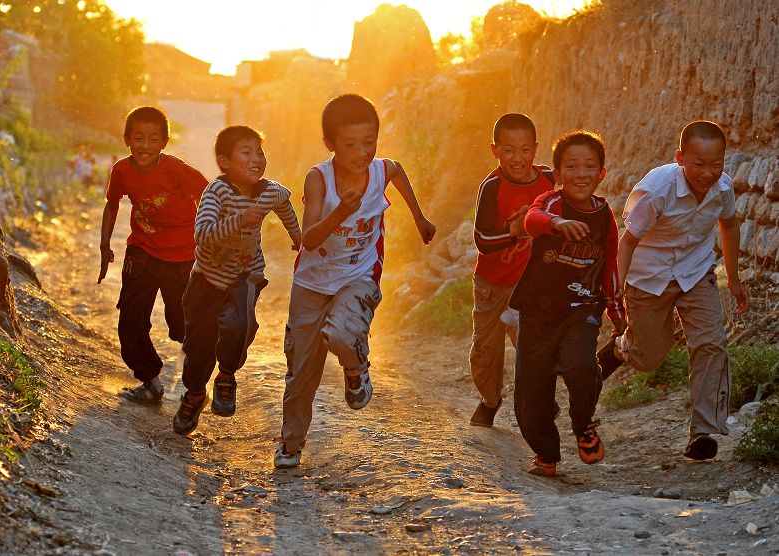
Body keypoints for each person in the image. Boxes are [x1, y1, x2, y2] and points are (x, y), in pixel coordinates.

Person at [274, 93, 436, 468]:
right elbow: (308, 238)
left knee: (343, 333)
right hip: (312, 284)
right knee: (302, 371)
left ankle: (356, 365)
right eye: (350, 145)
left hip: (360, 274)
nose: (362, 152)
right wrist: (340, 213)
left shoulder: (380, 170)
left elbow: (396, 171)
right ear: (330, 144)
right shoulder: (319, 179)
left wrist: (420, 218)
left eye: (370, 142)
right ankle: (291, 442)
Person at [597, 120, 749, 461]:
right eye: (698, 163)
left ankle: (704, 433)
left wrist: (734, 279)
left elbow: (729, 223)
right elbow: (629, 240)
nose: (708, 173)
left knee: (711, 343)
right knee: (649, 356)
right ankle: (618, 351)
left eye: (716, 164)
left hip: (696, 272)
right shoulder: (657, 190)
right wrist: (616, 286)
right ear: (681, 158)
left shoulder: (722, 188)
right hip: (649, 276)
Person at [508, 130, 625, 478]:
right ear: (558, 175)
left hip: (583, 308)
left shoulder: (605, 217)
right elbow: (531, 220)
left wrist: (618, 315)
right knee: (531, 391)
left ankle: (583, 424)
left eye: (590, 166)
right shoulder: (551, 203)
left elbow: (611, 266)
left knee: (581, 365)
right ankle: (546, 453)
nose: (581, 173)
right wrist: (556, 224)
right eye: (572, 166)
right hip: (538, 311)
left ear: (601, 173)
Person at [173, 125, 301, 434]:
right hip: (207, 280)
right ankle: (194, 394)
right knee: (199, 346)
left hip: (245, 275)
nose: (257, 158)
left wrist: (298, 237)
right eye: (247, 152)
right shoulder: (216, 193)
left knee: (241, 325)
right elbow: (202, 235)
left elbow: (283, 204)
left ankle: (227, 376)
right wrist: (238, 220)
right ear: (225, 161)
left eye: (260, 152)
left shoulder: (268, 190)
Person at [98, 106, 208, 404]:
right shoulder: (121, 170)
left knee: (181, 323)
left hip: (183, 255)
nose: (145, 146)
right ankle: (150, 382)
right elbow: (112, 204)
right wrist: (104, 243)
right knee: (131, 321)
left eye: (153, 139)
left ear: (164, 142)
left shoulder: (175, 168)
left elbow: (208, 193)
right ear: (127, 140)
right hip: (142, 250)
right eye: (139, 138)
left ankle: (198, 380)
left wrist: (208, 234)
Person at [469, 113, 555, 427]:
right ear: (495, 151)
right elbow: (482, 240)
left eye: (524, 150)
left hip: (531, 286)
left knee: (533, 347)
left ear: (535, 148)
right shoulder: (492, 186)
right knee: (485, 353)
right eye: (508, 150)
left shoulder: (549, 180)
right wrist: (516, 230)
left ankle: (537, 403)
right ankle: (491, 400)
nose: (517, 158)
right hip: (492, 283)